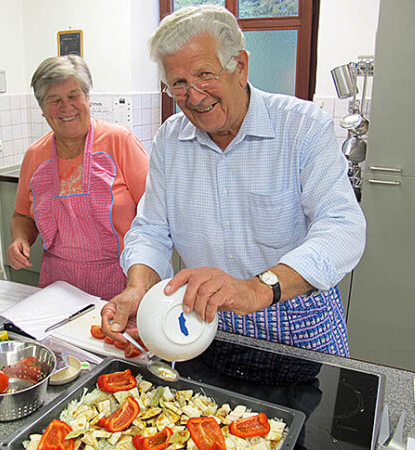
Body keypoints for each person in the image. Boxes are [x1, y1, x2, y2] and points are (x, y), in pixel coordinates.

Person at [101, 5, 366, 356]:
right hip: (206, 325)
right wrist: (138, 288)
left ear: (239, 67)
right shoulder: (170, 139)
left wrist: (256, 290)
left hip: (298, 321)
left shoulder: (301, 126)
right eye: (178, 84)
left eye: (205, 74)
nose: (194, 97)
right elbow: (151, 229)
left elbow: (342, 228)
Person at [8, 55, 149, 300]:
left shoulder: (119, 141)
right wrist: (20, 239)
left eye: (73, 96)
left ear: (87, 98)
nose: (66, 107)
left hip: (124, 284)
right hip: (59, 287)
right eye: (54, 100)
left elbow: (155, 216)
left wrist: (141, 285)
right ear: (42, 109)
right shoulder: (35, 156)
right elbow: (22, 215)